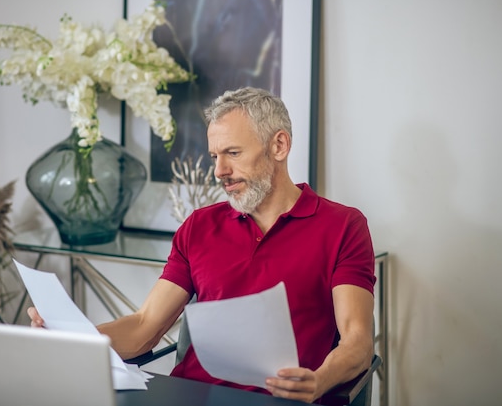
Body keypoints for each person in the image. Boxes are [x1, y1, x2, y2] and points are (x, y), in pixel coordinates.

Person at [28, 87, 376, 404]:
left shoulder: (343, 226)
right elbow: (145, 327)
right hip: (192, 395)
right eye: (214, 157)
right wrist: (72, 335)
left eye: (233, 153)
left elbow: (357, 341)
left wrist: (319, 380)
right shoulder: (199, 226)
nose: (219, 171)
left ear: (279, 146)